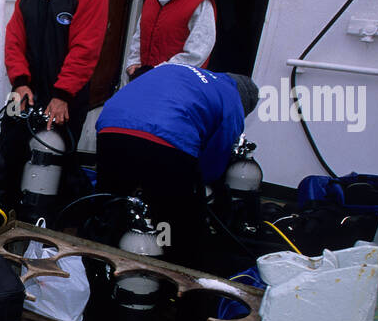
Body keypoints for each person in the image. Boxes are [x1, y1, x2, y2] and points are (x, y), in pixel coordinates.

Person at [95, 63, 258, 268]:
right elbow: (214, 162)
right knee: (177, 217)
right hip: (166, 137)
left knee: (111, 202)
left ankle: (98, 256)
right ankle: (174, 270)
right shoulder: (233, 99)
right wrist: (200, 187)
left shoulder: (195, 77)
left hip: (111, 124)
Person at [4, 0, 108, 139]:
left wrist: (62, 95)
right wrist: (20, 84)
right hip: (23, 92)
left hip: (64, 97)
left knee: (53, 159)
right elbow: (14, 42)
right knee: (8, 149)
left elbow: (85, 51)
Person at [124, 0, 216, 80]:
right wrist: (133, 62)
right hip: (146, 79)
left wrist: (158, 72)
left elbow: (197, 53)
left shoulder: (200, 2)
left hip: (177, 82)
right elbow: (139, 36)